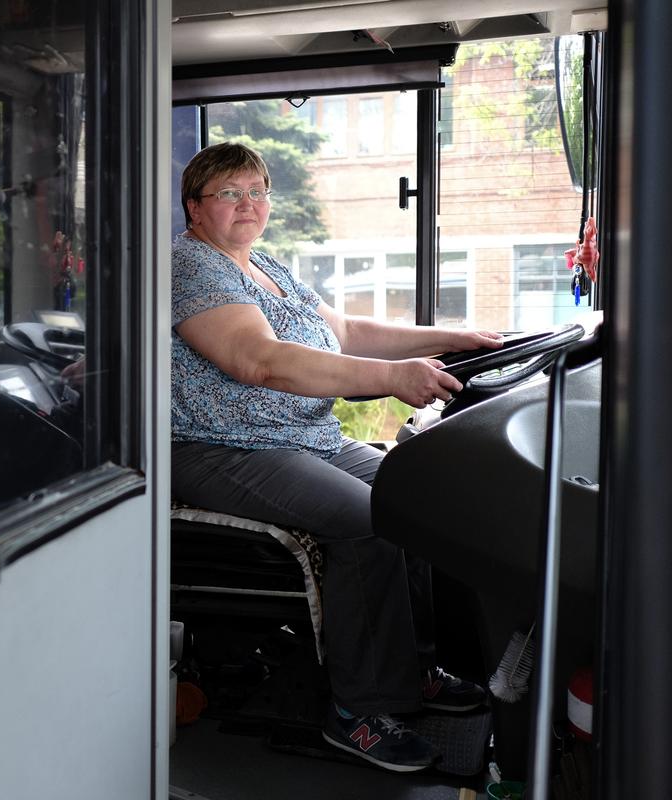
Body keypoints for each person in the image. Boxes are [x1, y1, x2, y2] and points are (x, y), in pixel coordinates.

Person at [171, 142, 502, 772]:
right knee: (365, 519)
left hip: (305, 438)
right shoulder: (191, 267)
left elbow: (345, 331)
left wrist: (453, 336)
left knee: (415, 496)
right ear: (194, 207)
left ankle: (413, 669)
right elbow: (256, 360)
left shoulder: (265, 265)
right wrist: (388, 378)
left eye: (258, 191)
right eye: (230, 193)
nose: (249, 204)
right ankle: (359, 712)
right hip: (224, 446)